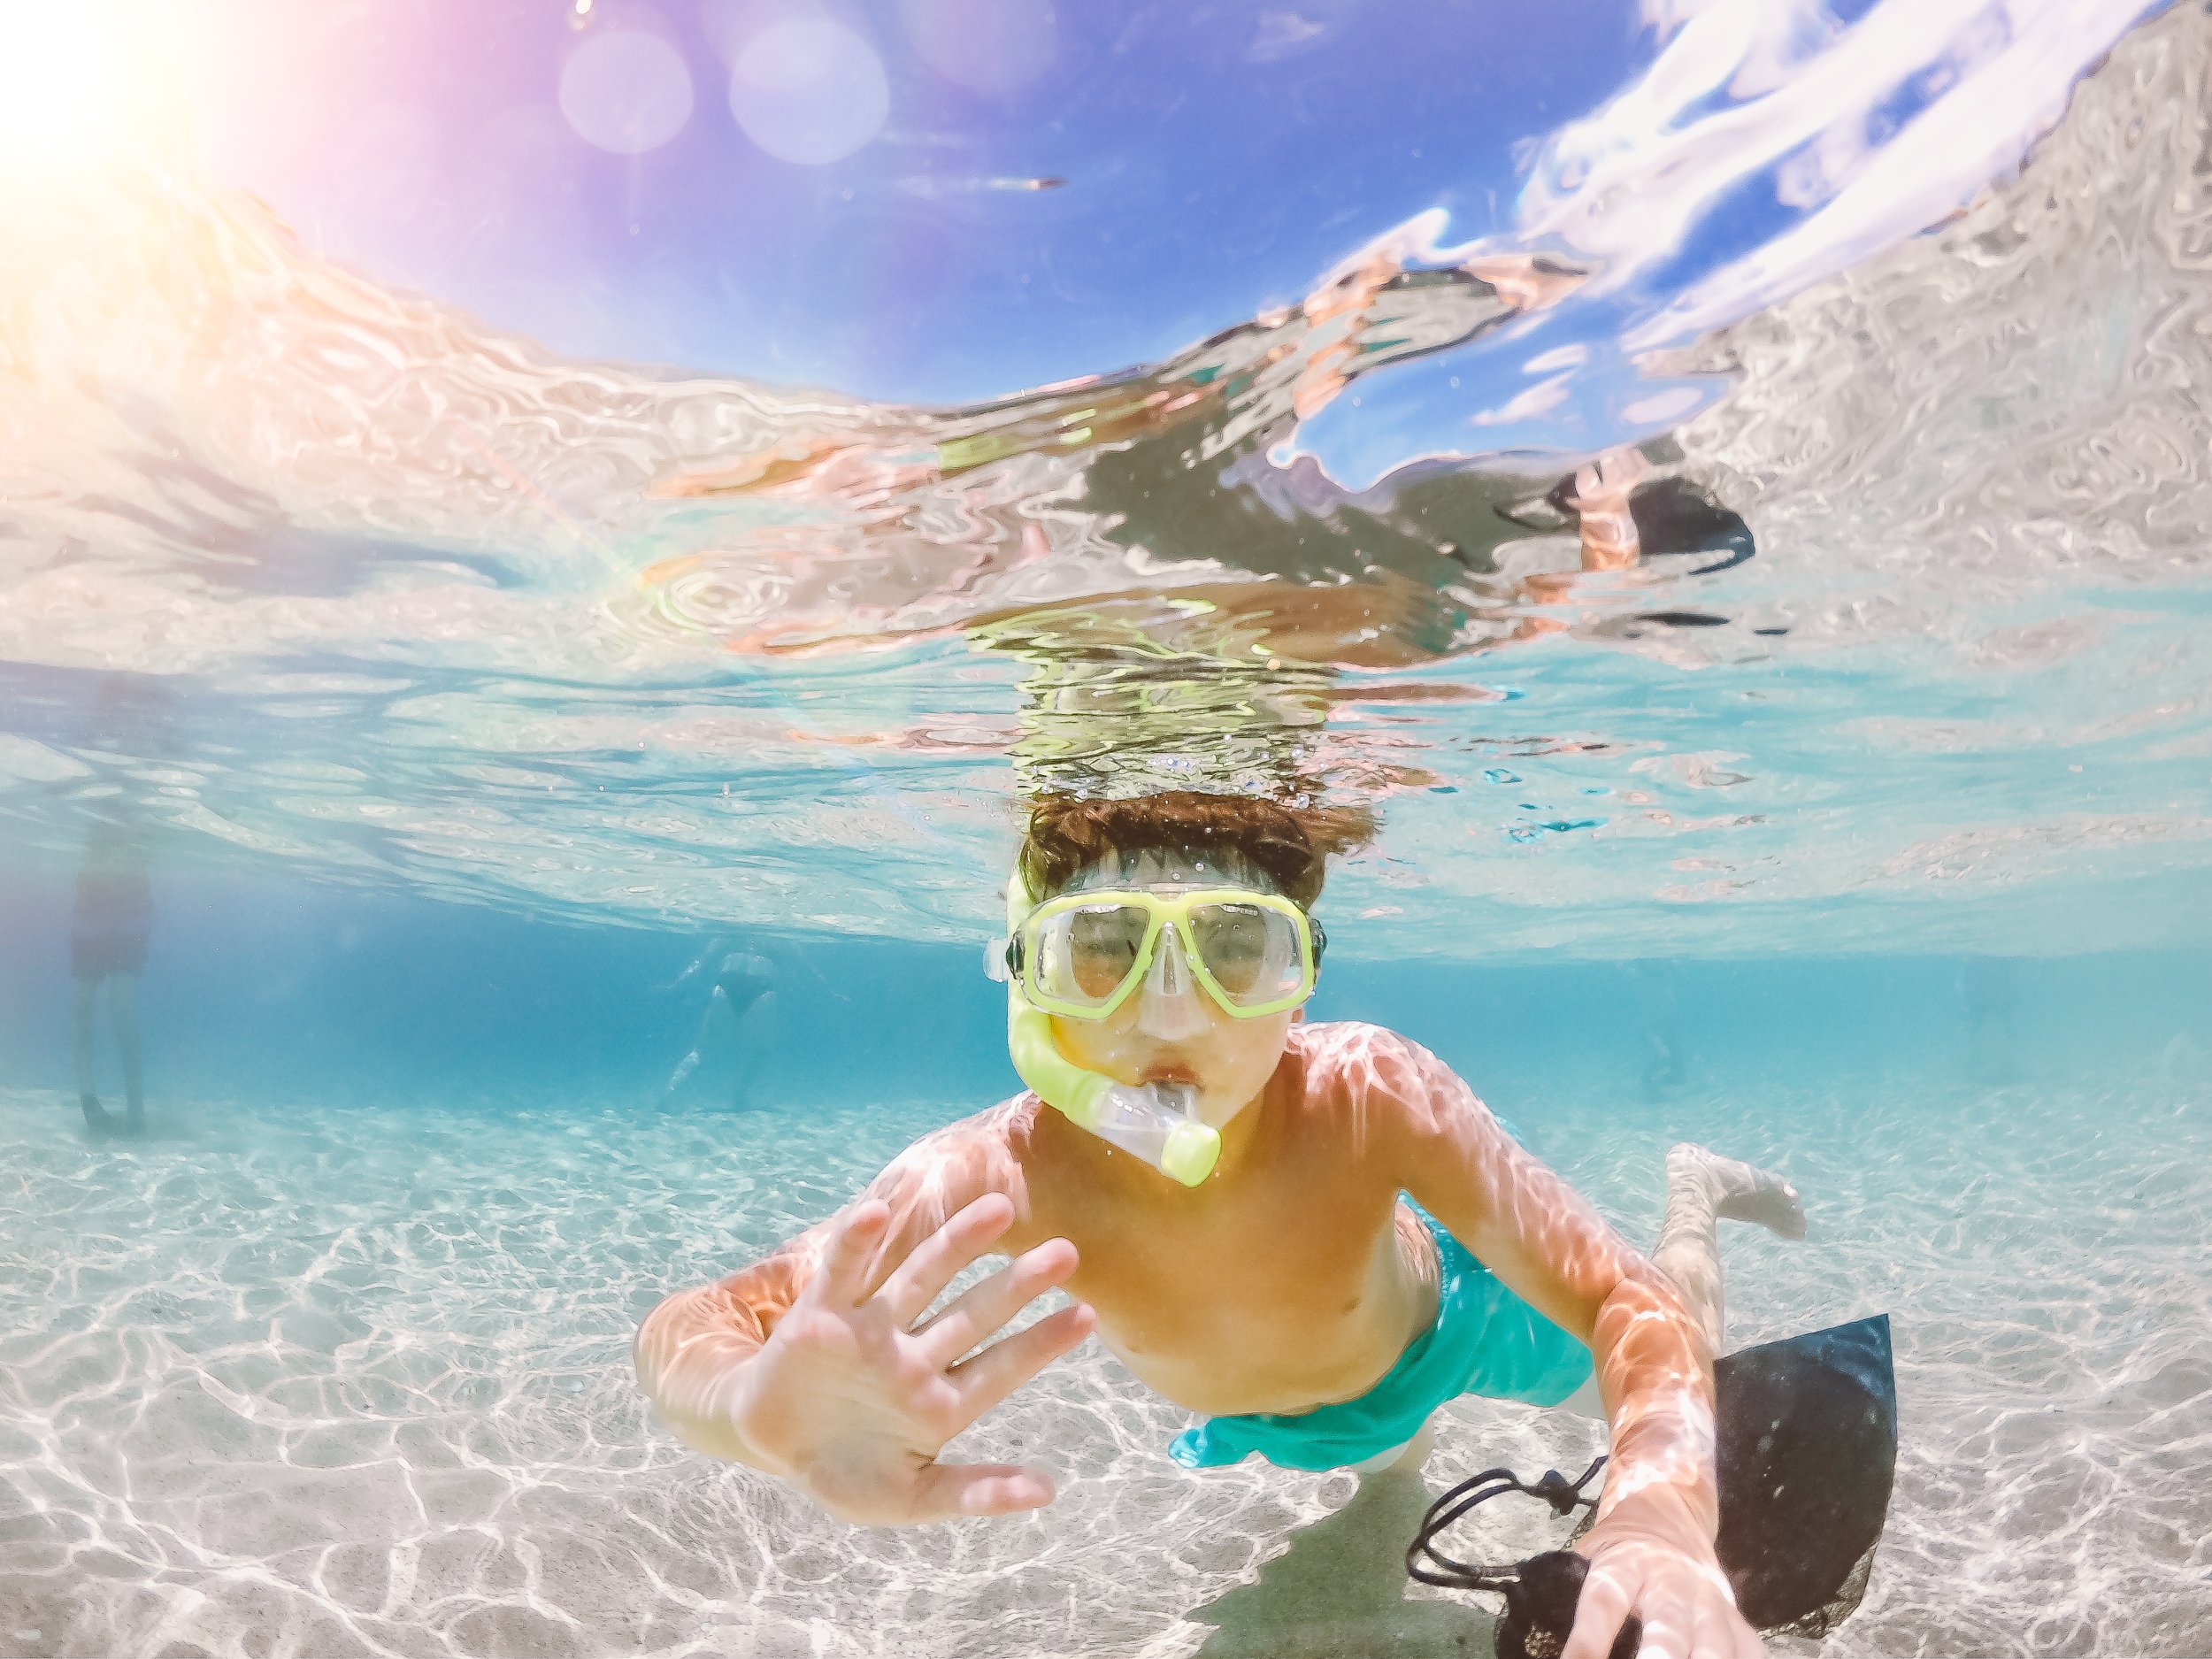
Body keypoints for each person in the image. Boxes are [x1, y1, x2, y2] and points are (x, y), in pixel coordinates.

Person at [635, 793, 1803, 1659]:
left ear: (1301, 980)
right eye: (1101, 947)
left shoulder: (1365, 1090)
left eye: (1237, 947)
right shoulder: (1004, 1165)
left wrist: (1657, 1503)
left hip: (1447, 1321)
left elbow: (1621, 1302)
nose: (1168, 1010)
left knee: (1684, 1322)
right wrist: (746, 1404)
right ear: (1029, 978)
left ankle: (1693, 1190)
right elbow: (702, 1318)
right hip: (1283, 1396)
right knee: (1384, 1456)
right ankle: (1391, 1450)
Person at [72, 802, 152, 1137]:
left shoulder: (132, 857)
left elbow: (142, 901)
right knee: (85, 1013)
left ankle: (135, 1106)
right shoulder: (98, 850)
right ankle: (89, 1098)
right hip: (92, 932)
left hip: (121, 934)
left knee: (122, 1016)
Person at [666, 945, 780, 1109]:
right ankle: (741, 1096)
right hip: (762, 986)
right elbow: (805, 963)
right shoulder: (779, 937)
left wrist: (677, 982)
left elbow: (703, 957)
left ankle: (669, 1094)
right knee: (762, 1051)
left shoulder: (728, 932)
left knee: (701, 1051)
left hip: (728, 982)